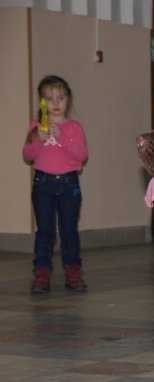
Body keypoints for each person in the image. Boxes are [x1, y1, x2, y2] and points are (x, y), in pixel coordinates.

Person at [22, 75, 88, 293]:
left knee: (69, 230)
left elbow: (81, 155)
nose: (56, 103)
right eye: (49, 99)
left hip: (69, 184)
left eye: (61, 97)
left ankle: (73, 271)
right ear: (42, 102)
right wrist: (38, 141)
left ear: (68, 99)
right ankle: (41, 273)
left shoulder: (74, 127)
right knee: (45, 231)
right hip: (43, 183)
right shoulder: (36, 127)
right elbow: (27, 155)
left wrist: (63, 138)